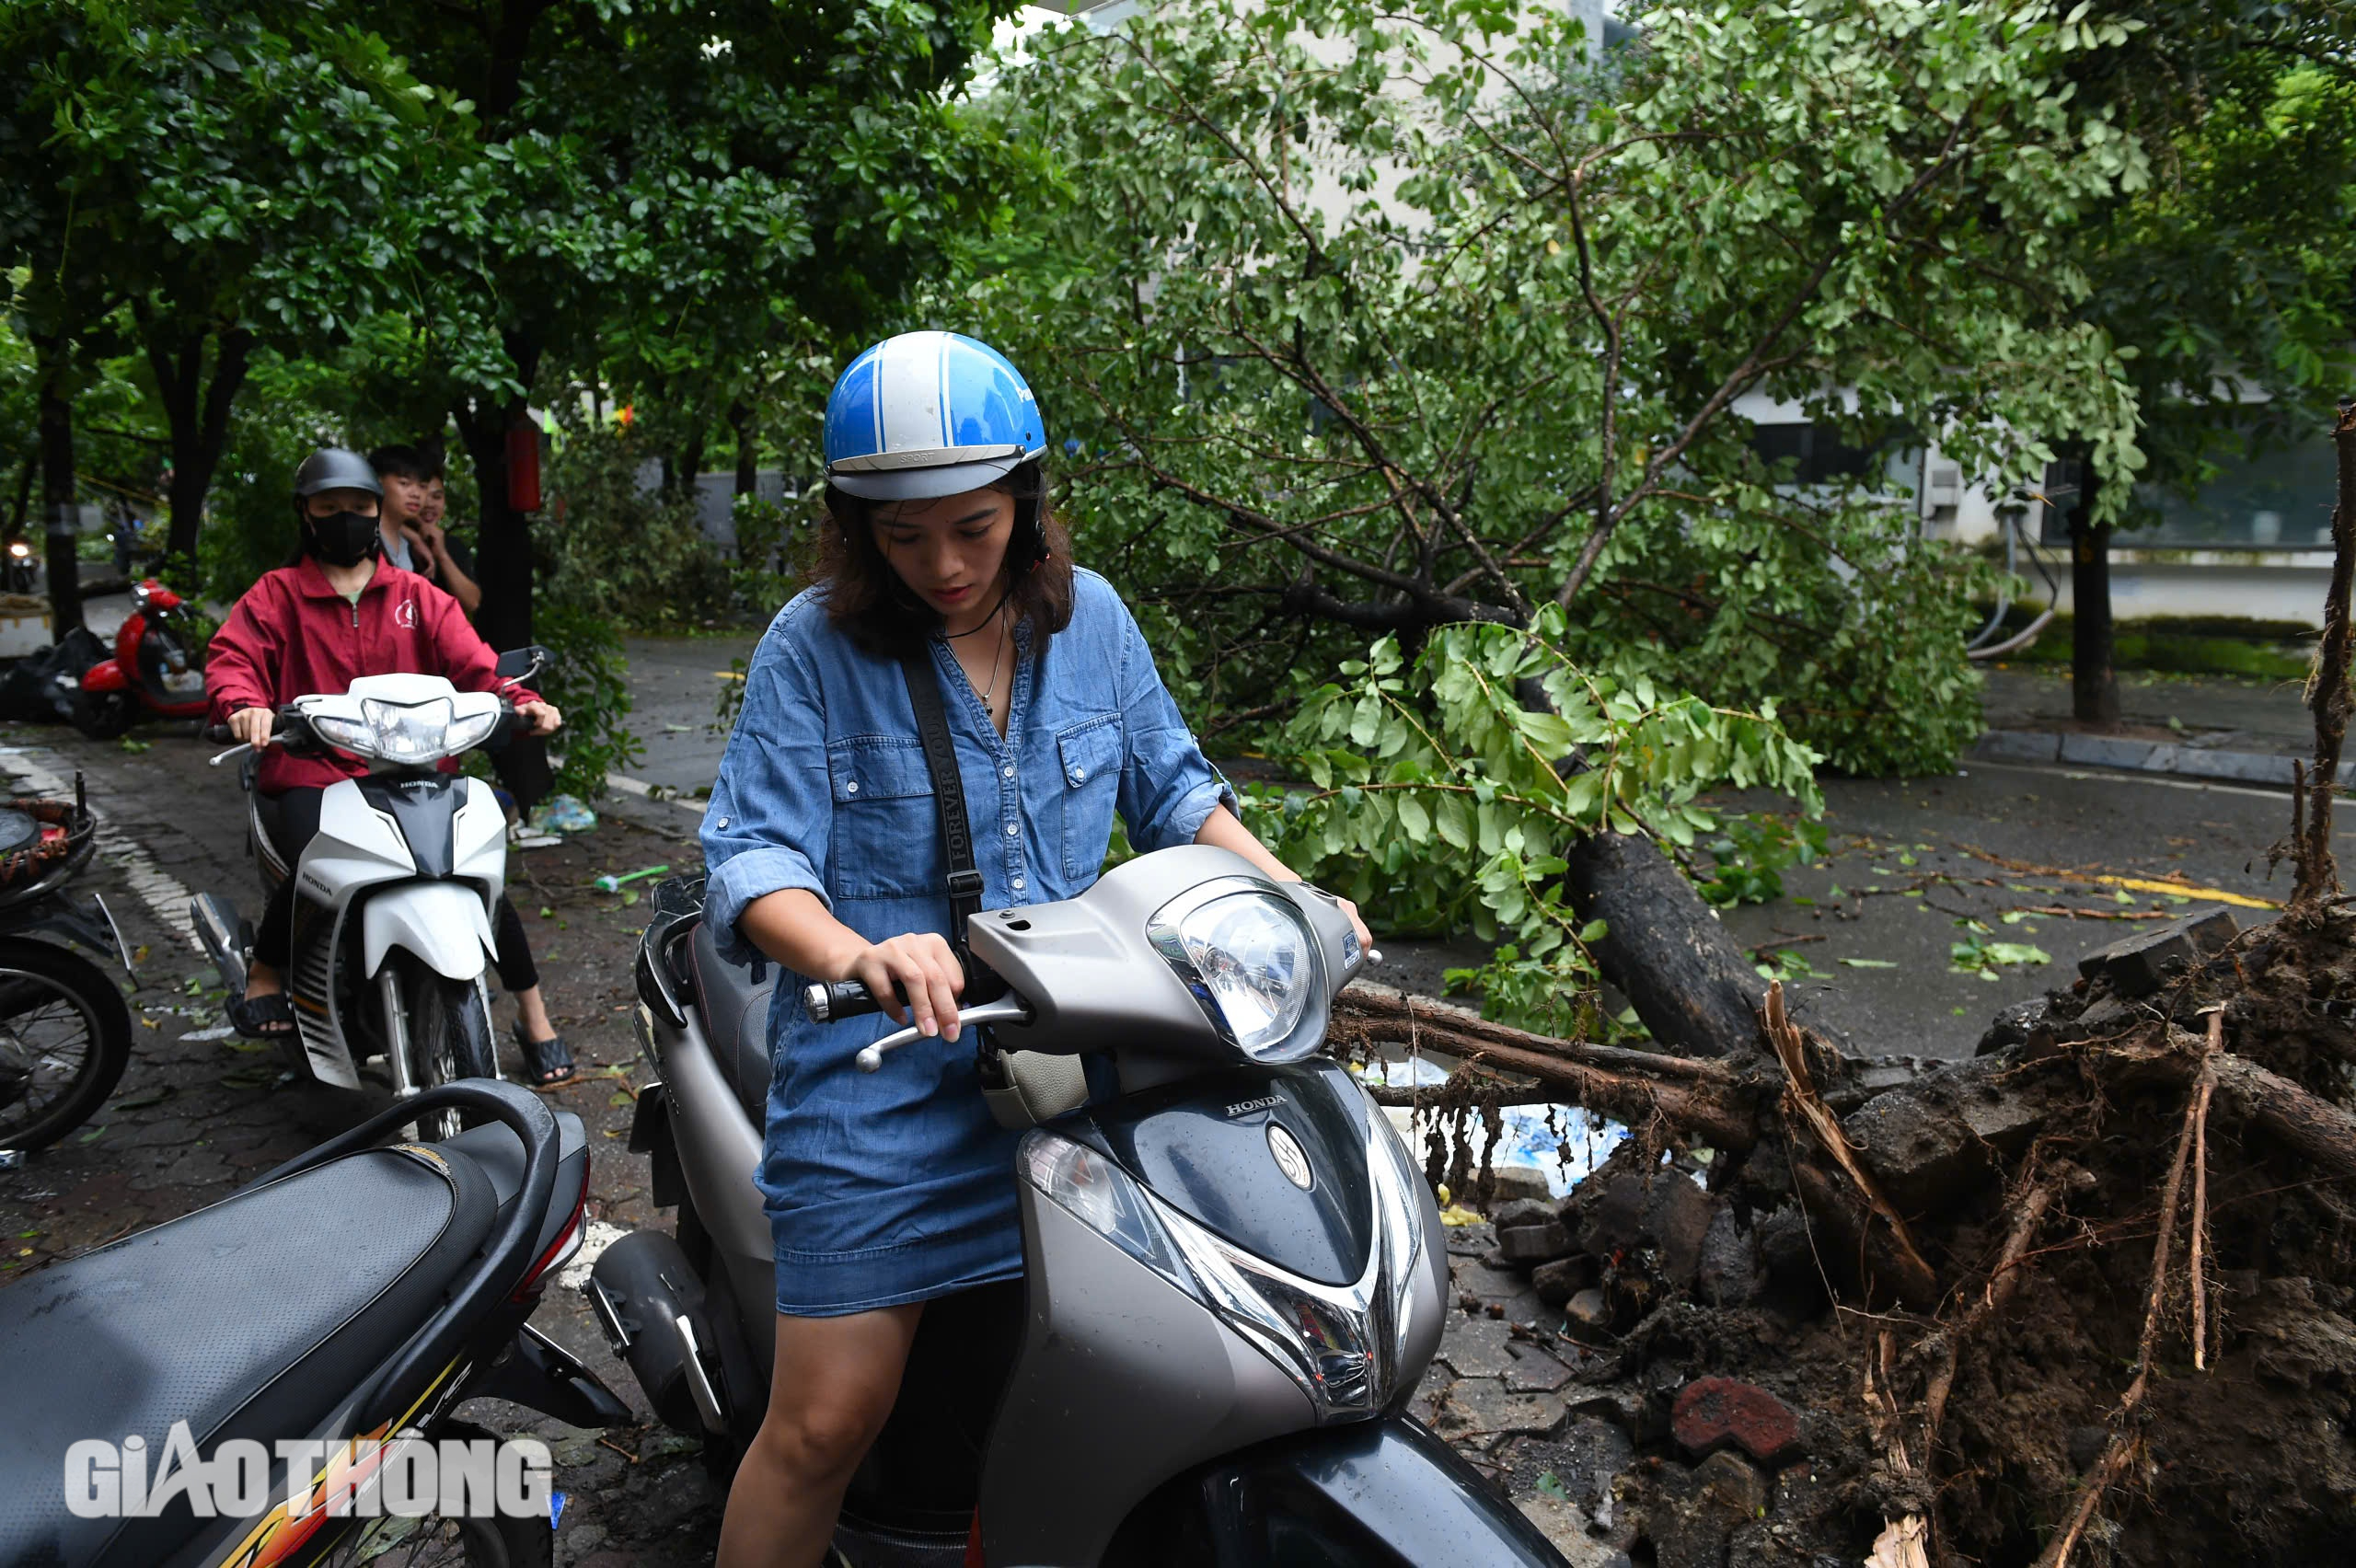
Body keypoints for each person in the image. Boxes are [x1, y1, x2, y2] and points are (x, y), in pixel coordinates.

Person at [699, 332, 1369, 1568]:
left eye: (973, 527)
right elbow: (753, 861)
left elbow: (1175, 793)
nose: (942, 565)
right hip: (881, 1085)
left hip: (1078, 1076)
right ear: (857, 530)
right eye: (903, 538)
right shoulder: (812, 648)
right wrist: (862, 953)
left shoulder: (1095, 624)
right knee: (824, 1423)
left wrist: (1295, 897)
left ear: (1026, 501)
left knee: (1150, 1381)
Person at [204, 447, 576, 1084]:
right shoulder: (278, 595)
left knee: (475, 875)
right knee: (314, 861)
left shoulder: (417, 596)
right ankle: (267, 971)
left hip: (415, 770)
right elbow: (233, 659)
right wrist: (244, 706)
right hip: (315, 771)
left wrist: (523, 702)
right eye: (330, 508)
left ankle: (534, 1015)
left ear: (377, 513)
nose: (345, 519)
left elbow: (476, 666)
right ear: (306, 515)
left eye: (358, 508)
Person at [369, 444, 483, 616]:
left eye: (422, 486)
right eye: (404, 483)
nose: (417, 494)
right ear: (377, 482)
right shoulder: (363, 536)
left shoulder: (414, 545)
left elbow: (472, 602)